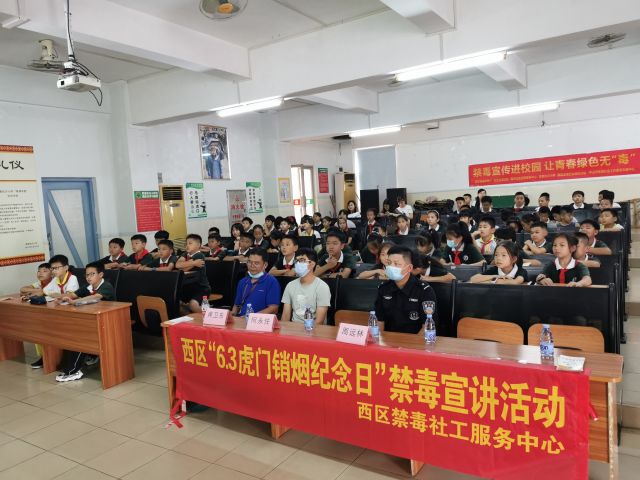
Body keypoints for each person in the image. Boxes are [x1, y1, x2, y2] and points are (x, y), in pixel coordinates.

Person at [55, 262, 116, 382]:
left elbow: (95, 297)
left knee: (80, 336)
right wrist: (62, 298)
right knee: (70, 332)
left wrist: (76, 301)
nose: (88, 277)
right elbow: (73, 294)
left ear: (100, 274)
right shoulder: (88, 286)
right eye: (87, 275)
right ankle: (70, 367)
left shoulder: (106, 286)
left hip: (109, 322)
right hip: (93, 320)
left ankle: (73, 371)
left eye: (92, 274)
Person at [374, 245, 438, 334]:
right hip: (389, 339)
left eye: (396, 264)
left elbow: (427, 326)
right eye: (389, 263)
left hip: (415, 340)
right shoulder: (383, 288)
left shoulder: (424, 291)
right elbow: (379, 321)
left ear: (409, 268)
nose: (391, 267)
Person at [280, 248, 331, 324]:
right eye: (296, 261)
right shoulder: (290, 285)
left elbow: (319, 321)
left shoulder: (322, 287)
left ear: (312, 264)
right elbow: (285, 316)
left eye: (302, 260)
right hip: (293, 327)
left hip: (313, 328)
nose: (298, 263)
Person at [19, 263, 52, 369]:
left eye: (45, 271)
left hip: (52, 313)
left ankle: (47, 357)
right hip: (41, 312)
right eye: (39, 271)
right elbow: (22, 289)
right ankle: (43, 356)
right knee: (37, 330)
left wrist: (39, 292)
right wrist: (37, 291)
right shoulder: (39, 283)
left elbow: (45, 292)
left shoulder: (54, 282)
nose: (41, 273)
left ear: (52, 273)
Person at [231, 248, 280, 317]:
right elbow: (236, 305)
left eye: (256, 263)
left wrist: (252, 317)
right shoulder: (242, 281)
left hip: (260, 321)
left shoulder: (272, 282)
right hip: (241, 320)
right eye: (249, 262)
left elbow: (273, 308)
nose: (252, 265)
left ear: (265, 265)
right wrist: (231, 315)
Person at [176, 234, 211, 313]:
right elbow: (178, 265)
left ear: (198, 245)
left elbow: (183, 269)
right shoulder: (185, 254)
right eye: (186, 243)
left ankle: (208, 314)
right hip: (188, 287)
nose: (187, 245)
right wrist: (194, 263)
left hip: (202, 288)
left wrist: (185, 265)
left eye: (190, 243)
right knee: (176, 303)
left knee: (193, 305)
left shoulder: (199, 255)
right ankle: (191, 317)